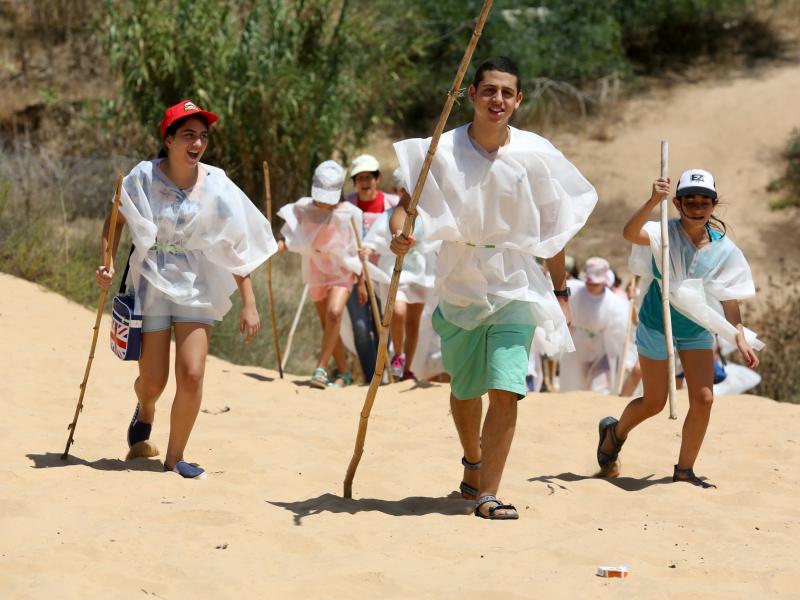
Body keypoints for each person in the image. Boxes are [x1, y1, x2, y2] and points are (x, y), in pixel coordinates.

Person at [390, 56, 597, 519]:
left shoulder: (534, 154)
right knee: (465, 390)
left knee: (506, 386)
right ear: (472, 96)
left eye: (506, 92)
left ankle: (489, 493)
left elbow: (553, 230)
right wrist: (400, 233)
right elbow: (407, 207)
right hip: (460, 278)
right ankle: (473, 461)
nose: (497, 100)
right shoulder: (440, 151)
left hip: (516, 281)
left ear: (518, 100)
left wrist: (560, 294)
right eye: (489, 91)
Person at [96, 100, 277, 479]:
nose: (196, 143)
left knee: (193, 373)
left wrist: (250, 303)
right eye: (188, 135)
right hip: (151, 284)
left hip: (197, 285)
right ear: (169, 140)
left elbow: (234, 244)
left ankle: (175, 458)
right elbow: (115, 218)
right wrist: (109, 261)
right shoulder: (142, 177)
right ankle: (145, 407)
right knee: (154, 380)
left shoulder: (216, 185)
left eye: (202, 137)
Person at [597, 168, 763, 487]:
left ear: (714, 205)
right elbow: (630, 233)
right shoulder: (662, 231)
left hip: (697, 325)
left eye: (705, 202)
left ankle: (684, 471)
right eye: (690, 201)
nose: (698, 208)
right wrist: (651, 201)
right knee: (654, 402)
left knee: (703, 398)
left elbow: (730, 301)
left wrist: (739, 337)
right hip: (656, 322)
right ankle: (613, 434)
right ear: (677, 203)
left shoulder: (724, 248)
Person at [277, 160, 367, 389]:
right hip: (315, 268)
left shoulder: (351, 214)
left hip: (341, 269)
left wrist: (363, 282)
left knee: (334, 313)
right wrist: (280, 245)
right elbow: (294, 237)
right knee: (327, 323)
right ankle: (344, 372)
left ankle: (320, 368)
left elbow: (357, 250)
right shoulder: (303, 207)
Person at [360, 168, 439, 380]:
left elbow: (438, 240)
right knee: (399, 311)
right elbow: (372, 240)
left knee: (414, 321)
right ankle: (399, 355)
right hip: (396, 271)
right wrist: (367, 249)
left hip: (421, 272)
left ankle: (407, 368)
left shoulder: (427, 218)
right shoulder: (389, 215)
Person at [344, 155, 400, 381]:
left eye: (369, 177)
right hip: (354, 276)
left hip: (385, 276)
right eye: (360, 178)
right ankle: (371, 377)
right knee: (360, 327)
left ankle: (384, 375)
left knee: (382, 328)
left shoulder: (393, 205)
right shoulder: (347, 206)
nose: (365, 182)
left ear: (377, 179)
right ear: (355, 182)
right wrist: (359, 279)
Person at [559, 257, 630, 394]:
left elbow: (618, 335)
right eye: (589, 282)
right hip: (577, 346)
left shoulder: (615, 304)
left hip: (601, 349)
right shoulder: (574, 290)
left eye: (595, 283)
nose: (591, 285)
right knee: (575, 385)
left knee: (599, 386)